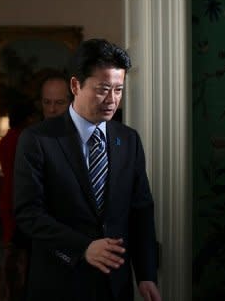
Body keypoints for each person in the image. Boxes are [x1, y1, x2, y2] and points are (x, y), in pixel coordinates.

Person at [14, 39, 161, 301]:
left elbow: (141, 211)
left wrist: (147, 274)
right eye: (103, 89)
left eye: (118, 90)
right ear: (75, 85)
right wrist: (83, 248)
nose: (112, 100)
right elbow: (28, 214)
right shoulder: (37, 139)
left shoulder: (129, 140)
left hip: (115, 287)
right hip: (59, 283)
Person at [0, 101, 36, 301]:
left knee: (10, 246)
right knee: (24, 254)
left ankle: (10, 290)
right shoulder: (26, 139)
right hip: (21, 194)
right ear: (28, 118)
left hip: (6, 194)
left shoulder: (4, 141)